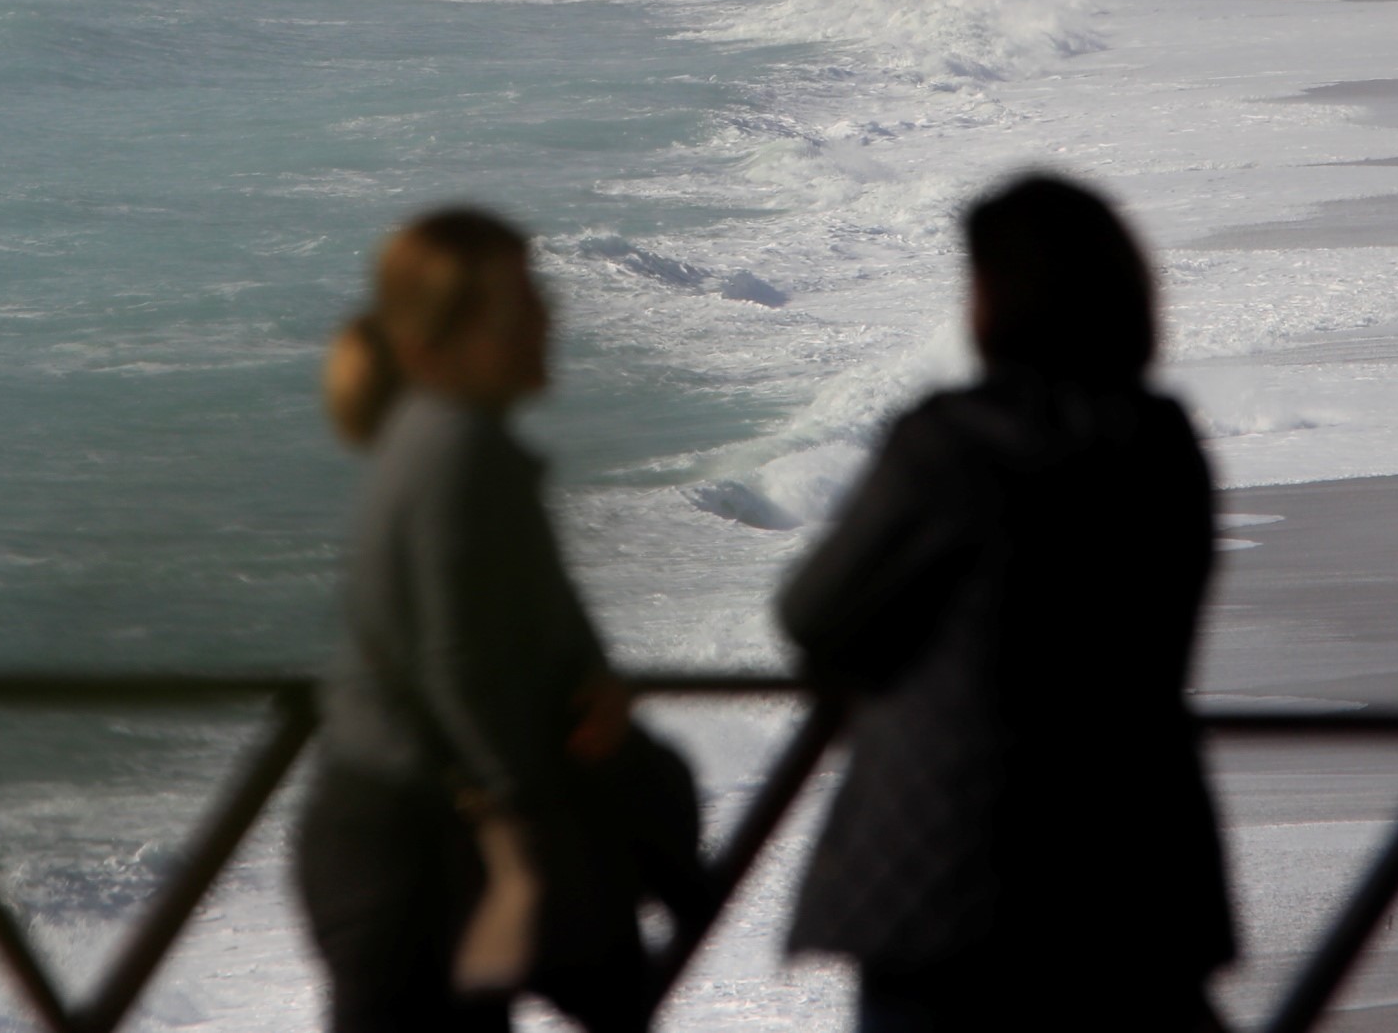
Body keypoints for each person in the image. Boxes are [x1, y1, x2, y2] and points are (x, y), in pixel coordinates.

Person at [777, 175, 1232, 1033]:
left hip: (940, 874)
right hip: (1132, 867)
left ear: (993, 299)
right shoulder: (1163, 445)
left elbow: (812, 616)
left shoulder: (944, 443)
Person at [296, 210, 700, 1033]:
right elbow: (459, 663)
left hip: (409, 845)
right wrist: (534, 829)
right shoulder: (459, 456)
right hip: (410, 862)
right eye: (517, 303)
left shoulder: (444, 445)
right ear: (435, 344)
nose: (547, 318)